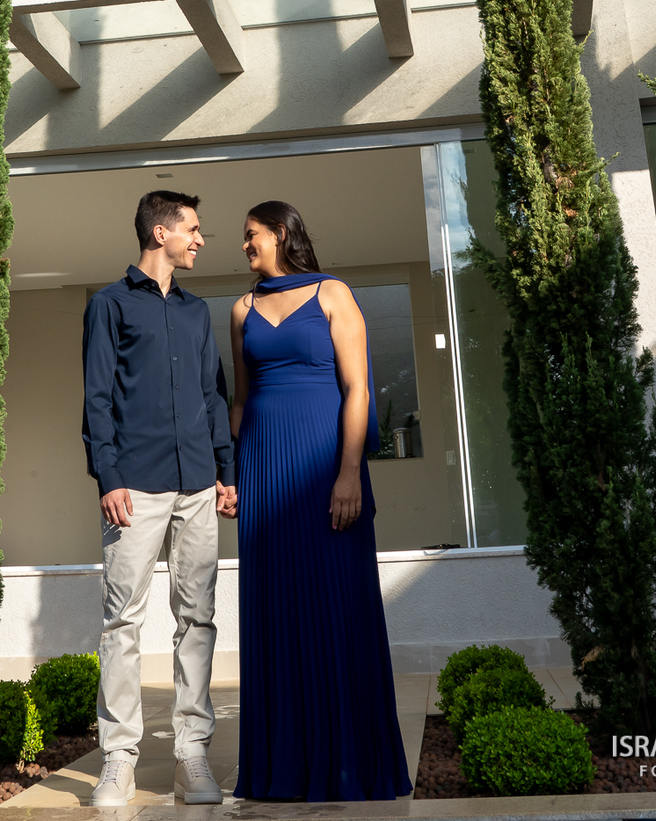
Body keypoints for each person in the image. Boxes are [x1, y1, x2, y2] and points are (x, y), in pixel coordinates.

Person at [229, 199, 412, 802]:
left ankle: (351, 765)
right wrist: (230, 475)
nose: (245, 246)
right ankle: (281, 772)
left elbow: (359, 389)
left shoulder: (333, 294)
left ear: (281, 234)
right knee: (274, 615)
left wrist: (350, 474)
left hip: (326, 470)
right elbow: (241, 401)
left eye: (253, 236)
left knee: (339, 609)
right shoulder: (241, 309)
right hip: (262, 472)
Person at [82, 190, 238, 808]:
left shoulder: (199, 313)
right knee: (122, 622)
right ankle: (118, 759)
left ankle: (191, 755)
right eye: (192, 230)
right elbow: (97, 398)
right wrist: (108, 476)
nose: (200, 239)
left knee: (196, 618)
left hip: (199, 482)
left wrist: (226, 471)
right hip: (134, 486)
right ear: (159, 232)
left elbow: (213, 396)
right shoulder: (109, 305)